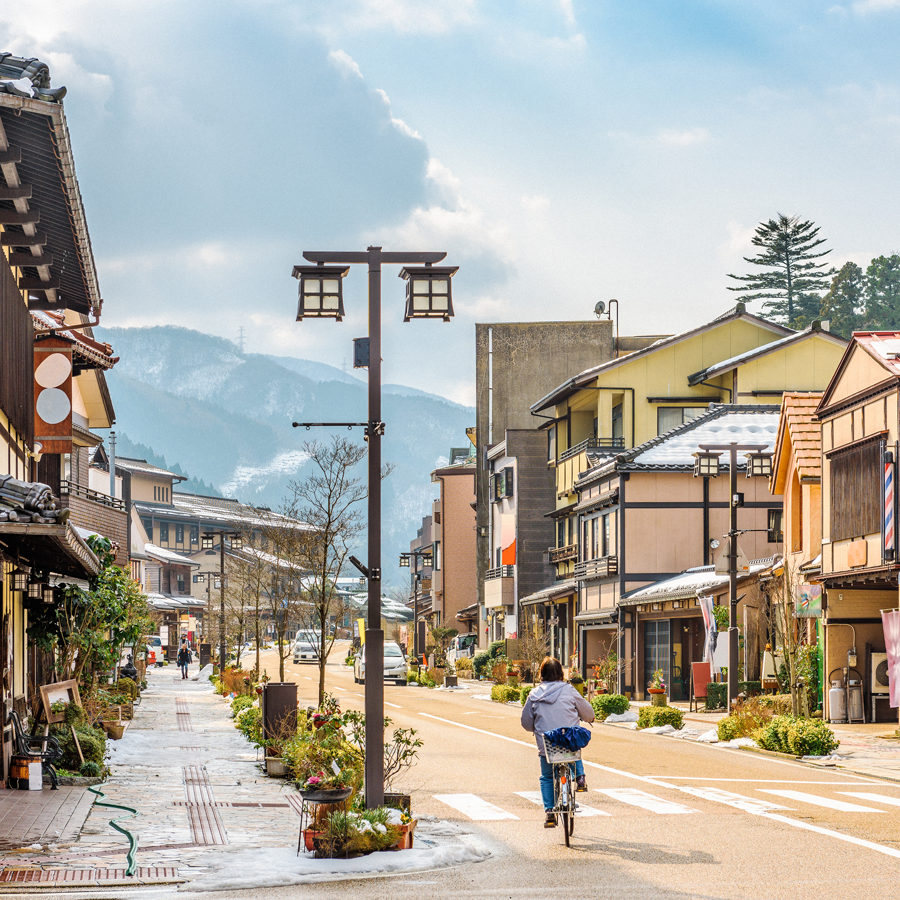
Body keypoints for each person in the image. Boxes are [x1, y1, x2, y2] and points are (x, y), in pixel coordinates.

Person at [521, 656, 595, 828]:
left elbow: (525, 722)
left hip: (546, 743)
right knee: (572, 741)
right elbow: (587, 712)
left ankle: (549, 812)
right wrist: (589, 718)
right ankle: (580, 777)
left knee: (547, 777)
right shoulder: (569, 690)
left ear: (542, 674)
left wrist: (536, 729)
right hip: (568, 742)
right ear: (561, 673)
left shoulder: (534, 694)